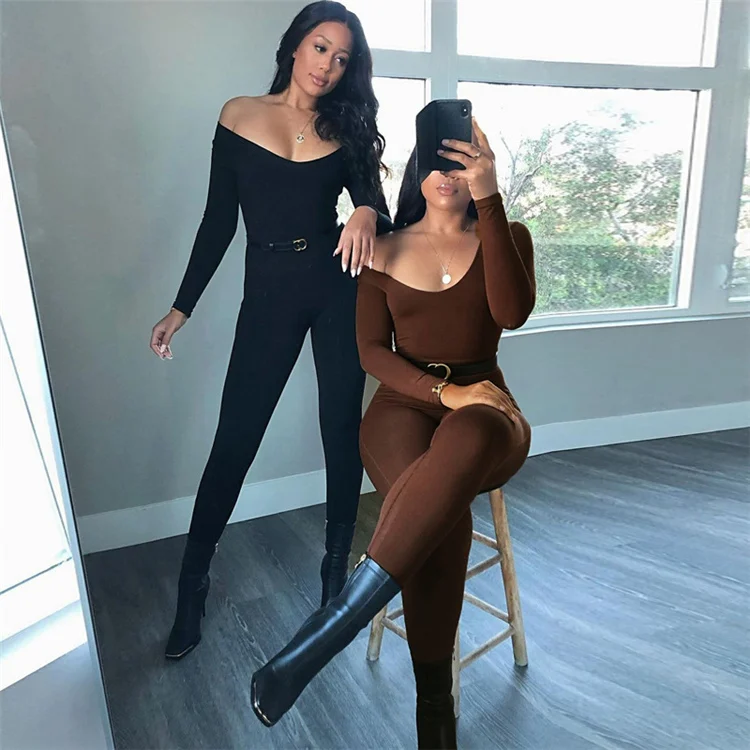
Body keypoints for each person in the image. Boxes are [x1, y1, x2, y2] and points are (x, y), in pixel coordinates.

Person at [250, 119, 535, 749]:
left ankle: (333, 626)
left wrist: (490, 196)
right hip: (401, 407)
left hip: (487, 411)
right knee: (438, 516)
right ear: (416, 172)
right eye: (437, 160)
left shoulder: (507, 235)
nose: (448, 174)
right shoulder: (381, 248)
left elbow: (511, 314)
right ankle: (436, 713)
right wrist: (443, 392)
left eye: (463, 163)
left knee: (464, 444)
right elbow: (372, 352)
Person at [150, 1, 393, 661]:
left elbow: (376, 205)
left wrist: (365, 210)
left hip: (337, 287)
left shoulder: (346, 127)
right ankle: (192, 587)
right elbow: (217, 221)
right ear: (294, 46)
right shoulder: (238, 115)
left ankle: (334, 583)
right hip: (270, 291)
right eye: (320, 47)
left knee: (341, 429)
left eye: (342, 58)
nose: (328, 65)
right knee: (235, 438)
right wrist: (181, 307)